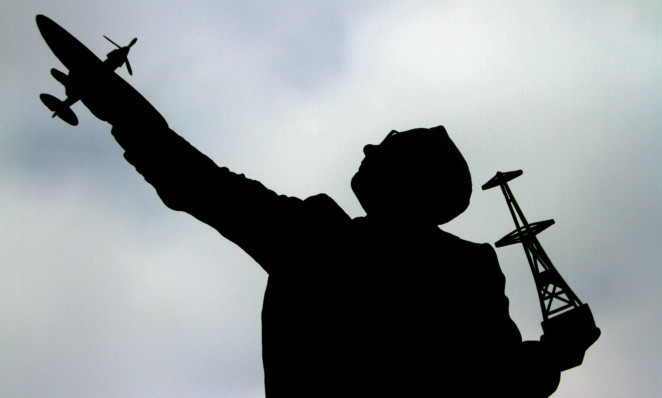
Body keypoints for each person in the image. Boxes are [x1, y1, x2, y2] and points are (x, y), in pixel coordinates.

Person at [71, 69, 561, 397]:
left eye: (392, 143)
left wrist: (124, 114)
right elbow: (501, 379)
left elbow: (203, 186)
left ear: (417, 173)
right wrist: (555, 355)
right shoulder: (466, 268)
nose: (372, 144)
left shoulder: (322, 238)